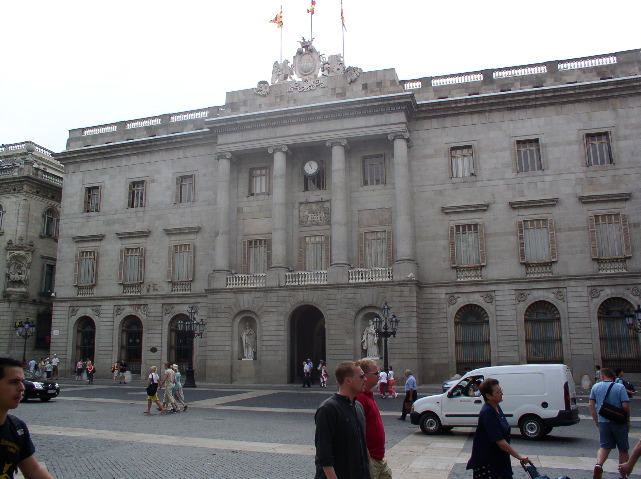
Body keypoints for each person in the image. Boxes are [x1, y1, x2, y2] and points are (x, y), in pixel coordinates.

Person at [0, 357, 55, 478]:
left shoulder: (17, 428)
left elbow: (34, 470)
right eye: (14, 382)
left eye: (22, 381)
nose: (22, 388)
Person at [314, 361, 370, 479]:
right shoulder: (328, 409)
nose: (365, 379)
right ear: (348, 380)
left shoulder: (358, 406)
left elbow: (362, 446)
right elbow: (324, 456)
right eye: (361, 376)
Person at [466, 378, 528, 479]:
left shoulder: (496, 408)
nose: (501, 394)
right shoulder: (487, 413)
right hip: (488, 464)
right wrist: (518, 456)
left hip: (500, 460)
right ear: (488, 396)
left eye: (501, 391)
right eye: (498, 392)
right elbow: (499, 441)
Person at [589, 367, 630, 479]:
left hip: (603, 422)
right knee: (623, 449)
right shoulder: (620, 387)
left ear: (602, 376)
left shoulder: (596, 387)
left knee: (604, 447)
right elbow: (625, 406)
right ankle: (622, 475)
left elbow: (591, 405)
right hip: (619, 421)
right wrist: (627, 421)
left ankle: (599, 464)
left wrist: (596, 419)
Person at [356, 359, 393, 479]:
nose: (378, 376)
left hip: (380, 457)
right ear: (365, 375)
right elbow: (356, 429)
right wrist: (366, 455)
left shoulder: (368, 395)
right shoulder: (359, 397)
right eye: (376, 373)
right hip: (371, 458)